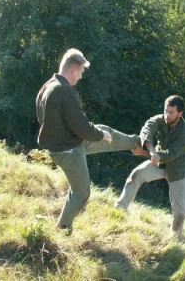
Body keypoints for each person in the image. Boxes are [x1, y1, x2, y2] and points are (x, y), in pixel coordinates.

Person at [36, 48, 147, 234]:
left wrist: (101, 134)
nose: (80, 77)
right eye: (80, 72)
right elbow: (82, 127)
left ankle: (137, 143)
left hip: (71, 142)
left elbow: (51, 119)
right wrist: (100, 136)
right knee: (81, 193)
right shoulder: (64, 91)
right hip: (68, 151)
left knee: (105, 130)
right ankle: (63, 229)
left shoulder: (48, 86)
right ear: (73, 69)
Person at [116, 95, 185, 239]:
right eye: (166, 111)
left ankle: (175, 237)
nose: (167, 115)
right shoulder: (160, 119)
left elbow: (171, 154)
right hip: (158, 163)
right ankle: (119, 209)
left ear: (180, 113)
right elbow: (146, 130)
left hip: (178, 170)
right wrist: (151, 152)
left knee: (180, 213)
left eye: (171, 113)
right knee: (136, 175)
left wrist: (144, 153)